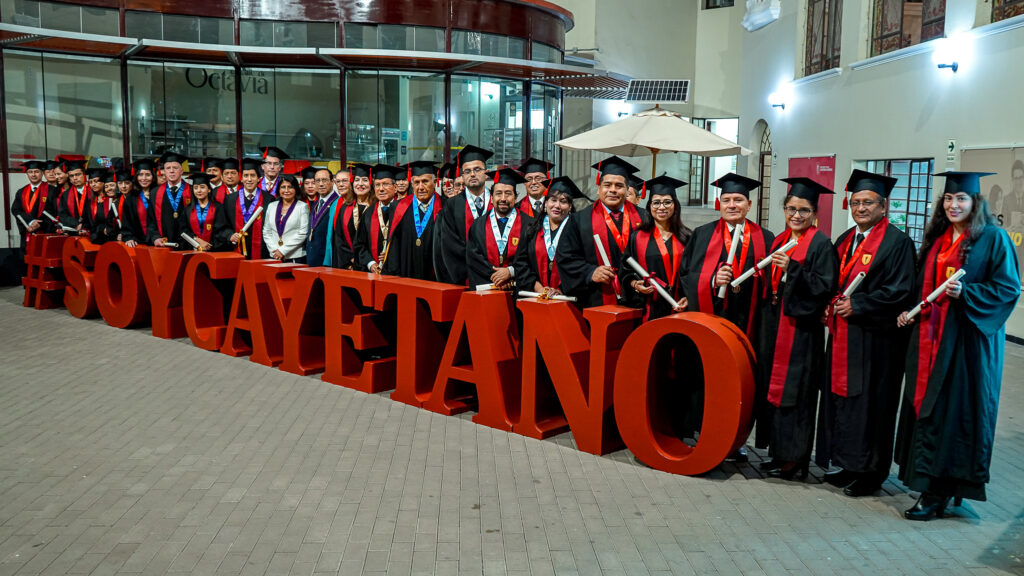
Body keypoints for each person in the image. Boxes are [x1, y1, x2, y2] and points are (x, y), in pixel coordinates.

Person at [895, 172, 1021, 520]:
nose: (953, 205)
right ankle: (936, 487)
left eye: (961, 199)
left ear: (975, 203)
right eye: (949, 199)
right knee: (931, 409)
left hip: (966, 345)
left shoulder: (992, 238)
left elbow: (1008, 288)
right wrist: (912, 310)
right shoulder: (937, 239)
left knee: (956, 414)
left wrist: (968, 293)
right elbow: (925, 287)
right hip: (931, 340)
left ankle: (938, 492)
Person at [815, 170, 916, 497]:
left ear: (883, 206)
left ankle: (872, 473)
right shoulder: (845, 240)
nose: (861, 208)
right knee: (844, 402)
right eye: (856, 202)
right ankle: (847, 464)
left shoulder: (898, 242)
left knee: (873, 405)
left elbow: (901, 291)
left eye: (868, 203)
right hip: (845, 337)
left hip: (877, 342)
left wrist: (858, 304)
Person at [678, 173, 774, 459]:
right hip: (711, 319)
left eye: (739, 200)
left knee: (738, 381)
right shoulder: (703, 234)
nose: (732, 205)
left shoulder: (765, 238)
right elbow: (685, 275)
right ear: (720, 203)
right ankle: (700, 431)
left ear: (749, 204)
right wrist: (710, 280)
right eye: (727, 200)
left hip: (747, 321)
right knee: (705, 376)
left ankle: (734, 439)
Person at [757, 177, 839, 480]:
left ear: (814, 213)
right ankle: (779, 454)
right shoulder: (780, 239)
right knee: (775, 391)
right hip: (777, 326)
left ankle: (796, 460)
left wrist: (793, 270)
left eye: (804, 210)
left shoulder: (820, 243)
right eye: (791, 208)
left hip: (802, 332)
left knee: (798, 395)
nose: (796, 215)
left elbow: (825, 286)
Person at [556, 156, 644, 307]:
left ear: (626, 189)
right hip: (594, 298)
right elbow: (566, 258)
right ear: (599, 188)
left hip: (637, 296)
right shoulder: (579, 220)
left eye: (619, 186)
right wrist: (590, 272)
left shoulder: (644, 218)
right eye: (607, 185)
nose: (612, 190)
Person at [620, 175, 690, 320]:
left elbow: (695, 274)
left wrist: (689, 298)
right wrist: (635, 284)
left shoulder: (688, 237)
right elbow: (625, 271)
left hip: (680, 306)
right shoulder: (637, 237)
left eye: (667, 202)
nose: (661, 207)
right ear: (649, 206)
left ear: (675, 205)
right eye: (656, 202)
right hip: (649, 307)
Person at [514, 176, 585, 296]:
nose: (557, 206)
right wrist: (539, 289)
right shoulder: (532, 230)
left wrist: (562, 290)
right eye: (553, 200)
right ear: (546, 203)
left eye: (563, 201)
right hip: (535, 296)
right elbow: (521, 263)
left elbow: (581, 266)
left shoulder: (578, 232)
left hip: (568, 298)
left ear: (570, 207)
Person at [436, 145, 494, 284]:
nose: (472, 174)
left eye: (477, 169)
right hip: (466, 277)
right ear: (462, 176)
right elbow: (450, 245)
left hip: (498, 276)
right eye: (467, 171)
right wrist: (477, 269)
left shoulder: (497, 201)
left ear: (486, 173)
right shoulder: (452, 205)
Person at [466, 168, 534, 289]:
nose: (503, 198)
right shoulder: (478, 225)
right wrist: (497, 277)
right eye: (498, 193)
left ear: (515, 198)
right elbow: (474, 259)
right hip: (488, 288)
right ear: (491, 198)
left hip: (518, 290)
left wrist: (510, 272)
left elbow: (533, 258)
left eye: (508, 193)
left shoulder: (530, 224)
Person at [377, 161, 442, 280]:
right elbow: (394, 246)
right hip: (406, 274)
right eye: (416, 182)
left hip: (434, 276)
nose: (420, 187)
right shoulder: (398, 208)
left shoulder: (445, 208)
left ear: (435, 182)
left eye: (425, 182)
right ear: (411, 183)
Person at [324, 163, 373, 270]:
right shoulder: (345, 207)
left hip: (372, 264)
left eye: (365, 180)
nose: (360, 184)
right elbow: (339, 239)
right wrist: (351, 258)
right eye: (357, 180)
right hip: (351, 264)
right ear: (352, 183)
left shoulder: (376, 207)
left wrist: (368, 261)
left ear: (371, 183)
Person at [356, 164, 401, 274]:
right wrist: (370, 263)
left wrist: (391, 255)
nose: (381, 189)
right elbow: (359, 244)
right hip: (373, 273)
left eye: (385, 184)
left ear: (395, 188)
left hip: (398, 273)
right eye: (377, 185)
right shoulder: (368, 213)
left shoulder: (404, 211)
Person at [224, 158, 271, 259]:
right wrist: (230, 235)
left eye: (253, 175)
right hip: (236, 248)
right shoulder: (230, 199)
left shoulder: (269, 199)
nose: (249, 179)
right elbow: (223, 224)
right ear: (241, 178)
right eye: (246, 176)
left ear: (259, 178)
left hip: (262, 251)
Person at [148, 152, 192, 248]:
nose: (171, 171)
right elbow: (151, 220)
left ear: (181, 170)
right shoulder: (155, 193)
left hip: (189, 244)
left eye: (175, 168)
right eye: (168, 168)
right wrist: (155, 237)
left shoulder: (192, 191)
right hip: (164, 243)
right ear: (164, 171)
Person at [262, 174, 309, 262]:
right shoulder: (272, 206)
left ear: (295, 189)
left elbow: (303, 233)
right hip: (274, 255)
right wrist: (275, 250)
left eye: (290, 187)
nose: (286, 190)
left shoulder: (302, 206)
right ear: (279, 190)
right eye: (283, 187)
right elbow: (266, 231)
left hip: (295, 256)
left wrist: (282, 250)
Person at [180, 173, 229, 252]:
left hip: (214, 250)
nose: (199, 190)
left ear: (209, 189)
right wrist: (197, 241)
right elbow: (183, 230)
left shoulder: (218, 207)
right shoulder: (187, 209)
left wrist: (208, 245)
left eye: (202, 187)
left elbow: (221, 230)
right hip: (193, 249)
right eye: (196, 188)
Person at [11, 160, 54, 244]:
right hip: (27, 230)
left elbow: (54, 211)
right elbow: (15, 210)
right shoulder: (21, 192)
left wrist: (41, 224)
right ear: (27, 174)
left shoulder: (52, 190)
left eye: (36, 172)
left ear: (42, 173)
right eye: (30, 172)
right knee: (25, 255)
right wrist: (30, 221)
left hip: (45, 232)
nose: (33, 175)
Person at [305, 167, 338, 266]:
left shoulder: (337, 203)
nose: (321, 184)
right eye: (317, 181)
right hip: (312, 257)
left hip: (328, 259)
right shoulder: (315, 204)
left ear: (332, 182)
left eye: (324, 180)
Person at [121, 160, 156, 248]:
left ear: (153, 176)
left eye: (148, 175)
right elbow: (127, 222)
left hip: (159, 242)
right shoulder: (131, 198)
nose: (144, 178)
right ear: (136, 177)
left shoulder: (160, 194)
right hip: (139, 243)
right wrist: (129, 237)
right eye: (140, 175)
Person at [57, 160, 90, 234]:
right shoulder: (65, 195)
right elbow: (63, 215)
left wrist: (84, 224)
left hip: (89, 231)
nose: (75, 178)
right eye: (71, 176)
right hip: (73, 232)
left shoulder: (92, 193)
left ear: (84, 175)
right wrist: (76, 223)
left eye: (78, 174)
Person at [90, 172, 120, 244]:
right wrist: (103, 229)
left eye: (112, 185)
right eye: (106, 186)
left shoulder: (123, 203)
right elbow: (96, 225)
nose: (109, 189)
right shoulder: (102, 204)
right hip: (105, 241)